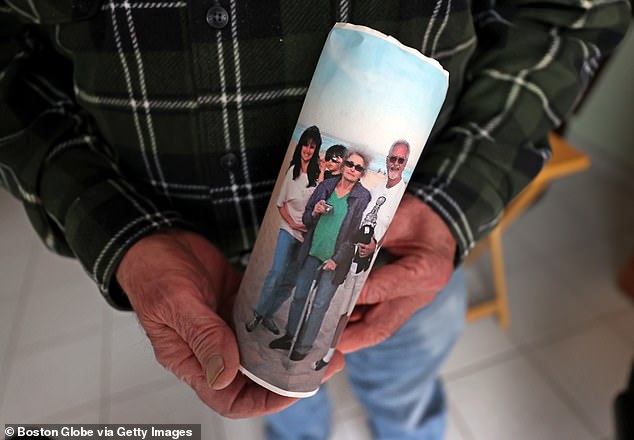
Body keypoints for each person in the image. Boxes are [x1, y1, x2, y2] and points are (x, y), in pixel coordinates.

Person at [0, 0, 629, 437]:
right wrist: (119, 231)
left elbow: (567, 17)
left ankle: (407, 431)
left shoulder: (360, 192)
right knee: (280, 395)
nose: (351, 175)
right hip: (217, 281)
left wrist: (451, 204)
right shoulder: (328, 181)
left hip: (398, 263)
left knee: (402, 384)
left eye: (357, 172)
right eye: (346, 170)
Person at [313, 140, 410, 371]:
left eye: (400, 160)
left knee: (346, 312)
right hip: (349, 257)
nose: (395, 163)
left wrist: (376, 244)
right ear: (387, 159)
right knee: (333, 306)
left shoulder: (402, 193)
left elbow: (396, 230)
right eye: (392, 158)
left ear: (405, 163)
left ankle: (327, 356)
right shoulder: (376, 190)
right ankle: (322, 349)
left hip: (368, 265)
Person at [269, 151, 371, 361]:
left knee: (319, 305)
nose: (353, 168)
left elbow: (356, 233)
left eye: (358, 167)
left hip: (335, 262)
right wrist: (315, 212)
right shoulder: (326, 186)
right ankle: (289, 337)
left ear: (361, 173)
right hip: (311, 253)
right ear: (343, 166)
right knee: (299, 297)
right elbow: (307, 217)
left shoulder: (363, 197)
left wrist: (337, 259)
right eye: (350, 163)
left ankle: (303, 347)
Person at [245, 125, 322, 335]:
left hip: (305, 238)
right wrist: (294, 224)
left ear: (316, 150)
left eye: (312, 146)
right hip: (288, 230)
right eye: (305, 145)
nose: (308, 149)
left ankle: (268, 315)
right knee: (277, 272)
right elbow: (280, 204)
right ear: (301, 147)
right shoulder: (292, 171)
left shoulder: (317, 175)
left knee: (289, 283)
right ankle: (258, 314)